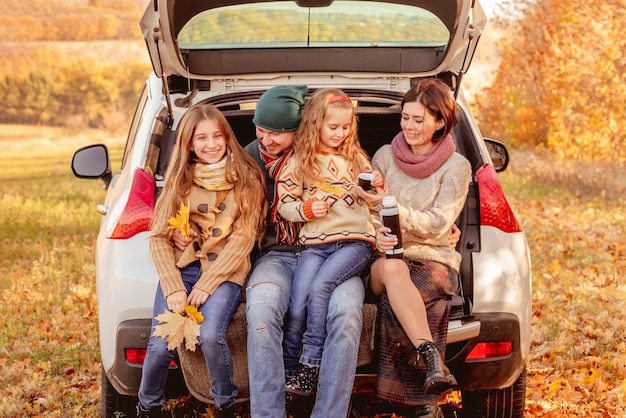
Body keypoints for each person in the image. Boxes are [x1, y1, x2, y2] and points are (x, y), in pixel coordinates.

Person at [244, 85, 367, 418]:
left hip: (336, 251)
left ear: (301, 131)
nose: (266, 140)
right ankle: (269, 413)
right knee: (261, 311)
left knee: (346, 313)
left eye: (277, 133)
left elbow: (368, 196)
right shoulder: (247, 159)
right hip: (278, 256)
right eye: (260, 130)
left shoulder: (332, 154)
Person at [137, 103, 266, 418]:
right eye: (201, 138)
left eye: (217, 136)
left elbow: (243, 239)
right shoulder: (180, 180)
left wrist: (207, 285)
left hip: (224, 274)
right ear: (190, 145)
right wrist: (173, 288)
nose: (211, 145)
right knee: (158, 347)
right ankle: (147, 407)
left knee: (210, 335)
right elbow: (158, 238)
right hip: (183, 271)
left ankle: (225, 405)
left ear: (227, 137)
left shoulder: (247, 178)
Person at [357, 78, 471, 417]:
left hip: (434, 261)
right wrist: (376, 233)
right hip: (383, 258)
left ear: (440, 121)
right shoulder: (383, 157)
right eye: (405, 117)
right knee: (393, 269)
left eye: (418, 120)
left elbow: (438, 222)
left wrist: (389, 207)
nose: (409, 126)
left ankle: (422, 405)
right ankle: (431, 359)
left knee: (399, 299)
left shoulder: (457, 167)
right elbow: (363, 210)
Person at [274, 88, 376, 395]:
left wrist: (374, 188)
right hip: (316, 244)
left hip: (355, 242)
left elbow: (374, 191)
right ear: (316, 123)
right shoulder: (299, 162)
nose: (341, 133)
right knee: (297, 304)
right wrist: (306, 209)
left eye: (346, 127)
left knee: (321, 288)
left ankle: (310, 364)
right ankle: (291, 372)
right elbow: (284, 205)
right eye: (334, 127)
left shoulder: (355, 158)